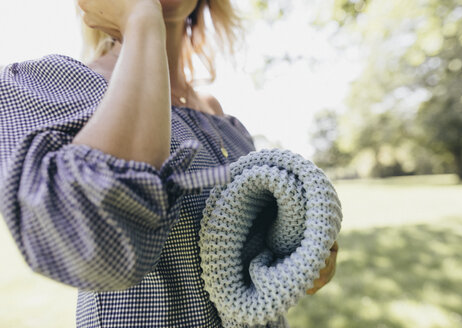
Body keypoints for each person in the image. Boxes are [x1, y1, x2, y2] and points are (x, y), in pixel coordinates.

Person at [0, 0, 338, 326]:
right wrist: (141, 20)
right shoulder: (58, 87)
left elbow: (256, 261)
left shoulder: (223, 120)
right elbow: (93, 245)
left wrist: (301, 260)